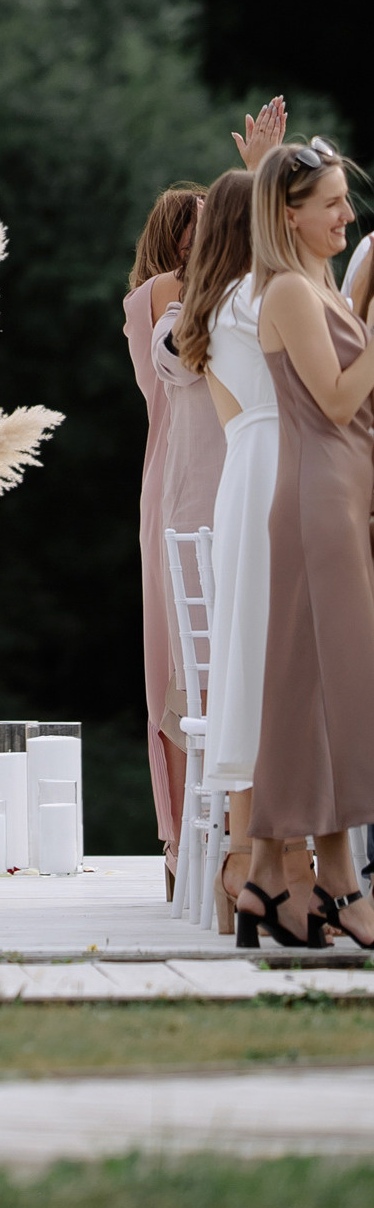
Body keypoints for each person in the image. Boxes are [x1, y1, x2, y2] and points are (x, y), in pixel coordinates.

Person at [242, 141, 374, 951]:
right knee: (335, 688)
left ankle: (272, 872)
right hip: (318, 497)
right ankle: (340, 882)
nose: (346, 216)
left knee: (305, 686)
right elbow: (331, 401)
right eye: (330, 204)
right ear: (288, 214)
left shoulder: (318, 285)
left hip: (340, 495)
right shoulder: (289, 290)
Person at [179, 167, 266, 927]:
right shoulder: (257, 302)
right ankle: (255, 860)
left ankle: (243, 859)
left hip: (241, 478)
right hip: (271, 479)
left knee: (249, 661)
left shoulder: (207, 307)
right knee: (269, 662)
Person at [124, 183, 206, 864]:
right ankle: (179, 836)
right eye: (191, 238)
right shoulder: (158, 293)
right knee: (176, 660)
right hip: (177, 481)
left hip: (219, 473)